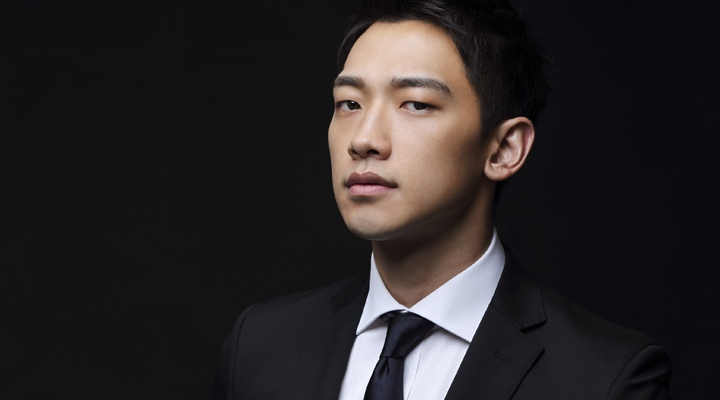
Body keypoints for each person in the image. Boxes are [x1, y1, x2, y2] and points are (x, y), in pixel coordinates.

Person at [212, 0, 672, 398]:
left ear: (504, 148)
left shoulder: (605, 378)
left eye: (415, 104)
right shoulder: (261, 346)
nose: (364, 139)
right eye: (349, 103)